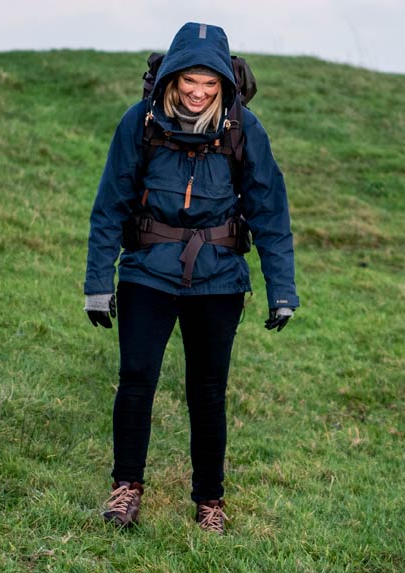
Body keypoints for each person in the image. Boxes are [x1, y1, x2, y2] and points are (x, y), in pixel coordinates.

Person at [84, 22, 298, 533]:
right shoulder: (139, 123)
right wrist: (97, 283)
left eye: (209, 83)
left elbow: (271, 212)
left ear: (225, 82)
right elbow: (110, 203)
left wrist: (282, 290)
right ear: (171, 79)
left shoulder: (245, 130)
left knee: (207, 390)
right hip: (146, 273)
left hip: (220, 279)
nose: (198, 93)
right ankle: (126, 488)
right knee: (136, 380)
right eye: (188, 82)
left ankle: (210, 503)